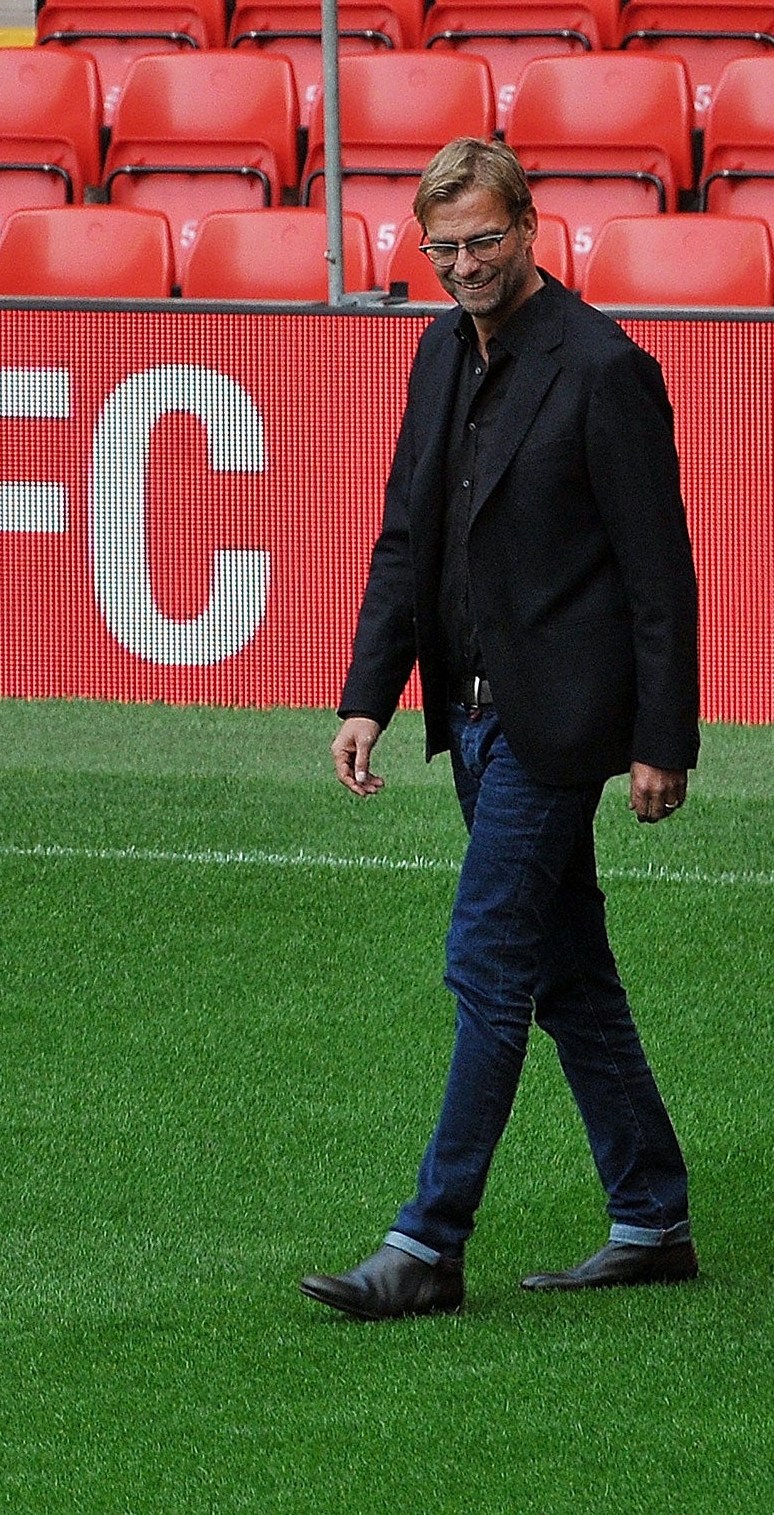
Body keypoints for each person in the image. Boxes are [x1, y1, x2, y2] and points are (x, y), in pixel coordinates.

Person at [299, 138, 701, 1321]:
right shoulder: (436, 353)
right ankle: (651, 1214)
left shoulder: (600, 368)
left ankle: (425, 1243)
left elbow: (658, 575)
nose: (463, 264)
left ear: (530, 226)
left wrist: (660, 739)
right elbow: (405, 539)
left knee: (485, 963)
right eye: (442, 248)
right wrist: (365, 693)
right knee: (568, 975)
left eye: (481, 240)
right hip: (464, 725)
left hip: (554, 730)